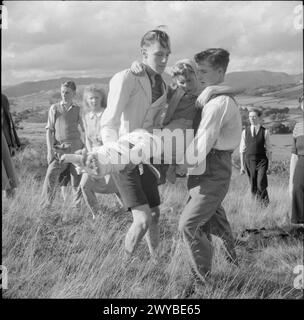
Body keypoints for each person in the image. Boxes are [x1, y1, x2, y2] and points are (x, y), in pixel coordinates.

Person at [99, 29, 171, 260]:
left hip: (146, 156)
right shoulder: (126, 77)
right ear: (143, 52)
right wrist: (116, 155)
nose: (164, 60)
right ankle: (122, 267)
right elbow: (108, 122)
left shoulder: (165, 87)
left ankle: (156, 261)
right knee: (142, 220)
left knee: (155, 214)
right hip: (123, 156)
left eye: (167, 55)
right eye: (159, 54)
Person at [178, 48, 242, 283]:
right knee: (216, 222)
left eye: (204, 71)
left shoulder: (219, 103)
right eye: (198, 70)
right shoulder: (213, 95)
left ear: (220, 71)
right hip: (207, 166)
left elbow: (204, 139)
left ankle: (204, 283)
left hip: (212, 166)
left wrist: (182, 166)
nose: (200, 75)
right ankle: (232, 268)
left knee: (190, 224)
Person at [130, 58, 244, 183]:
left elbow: (239, 88)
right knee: (143, 141)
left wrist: (213, 89)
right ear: (176, 81)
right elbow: (154, 85)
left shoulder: (205, 91)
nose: (187, 86)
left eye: (190, 80)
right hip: (171, 130)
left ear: (196, 75)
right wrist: (139, 66)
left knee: (156, 152)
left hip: (188, 132)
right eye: (182, 82)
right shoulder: (176, 91)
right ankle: (153, 174)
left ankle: (163, 171)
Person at [74, 85, 122, 219]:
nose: (94, 101)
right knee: (84, 186)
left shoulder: (107, 114)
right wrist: (90, 154)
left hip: (108, 154)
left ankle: (129, 212)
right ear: (86, 100)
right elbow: (87, 139)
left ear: (101, 99)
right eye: (91, 98)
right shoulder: (85, 116)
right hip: (93, 155)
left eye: (96, 98)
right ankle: (98, 215)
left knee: (118, 187)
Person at [40, 81, 84, 211]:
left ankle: (77, 210)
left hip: (76, 150)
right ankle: (46, 207)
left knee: (77, 181)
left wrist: (86, 149)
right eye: (62, 92)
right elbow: (49, 130)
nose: (64, 95)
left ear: (74, 93)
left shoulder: (78, 109)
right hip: (60, 150)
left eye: (67, 92)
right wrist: (49, 151)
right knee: (50, 176)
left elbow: (85, 130)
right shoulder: (54, 108)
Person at [239, 108, 272, 206]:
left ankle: (265, 204)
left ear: (259, 118)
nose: (251, 118)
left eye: (254, 116)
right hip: (249, 161)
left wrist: (269, 166)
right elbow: (242, 150)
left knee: (261, 184)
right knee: (253, 186)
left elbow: (269, 150)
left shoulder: (265, 132)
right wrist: (241, 166)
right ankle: (258, 206)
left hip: (262, 161)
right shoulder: (245, 132)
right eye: (250, 116)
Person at [289, 95, 304, 225]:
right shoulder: (298, 127)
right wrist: (290, 181)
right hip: (301, 163)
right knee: (298, 190)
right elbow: (294, 155)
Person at [2, 94, 19, 198]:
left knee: (8, 178)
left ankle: (10, 208)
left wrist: (11, 144)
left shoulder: (2, 98)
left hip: (3, 142)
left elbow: (6, 124)